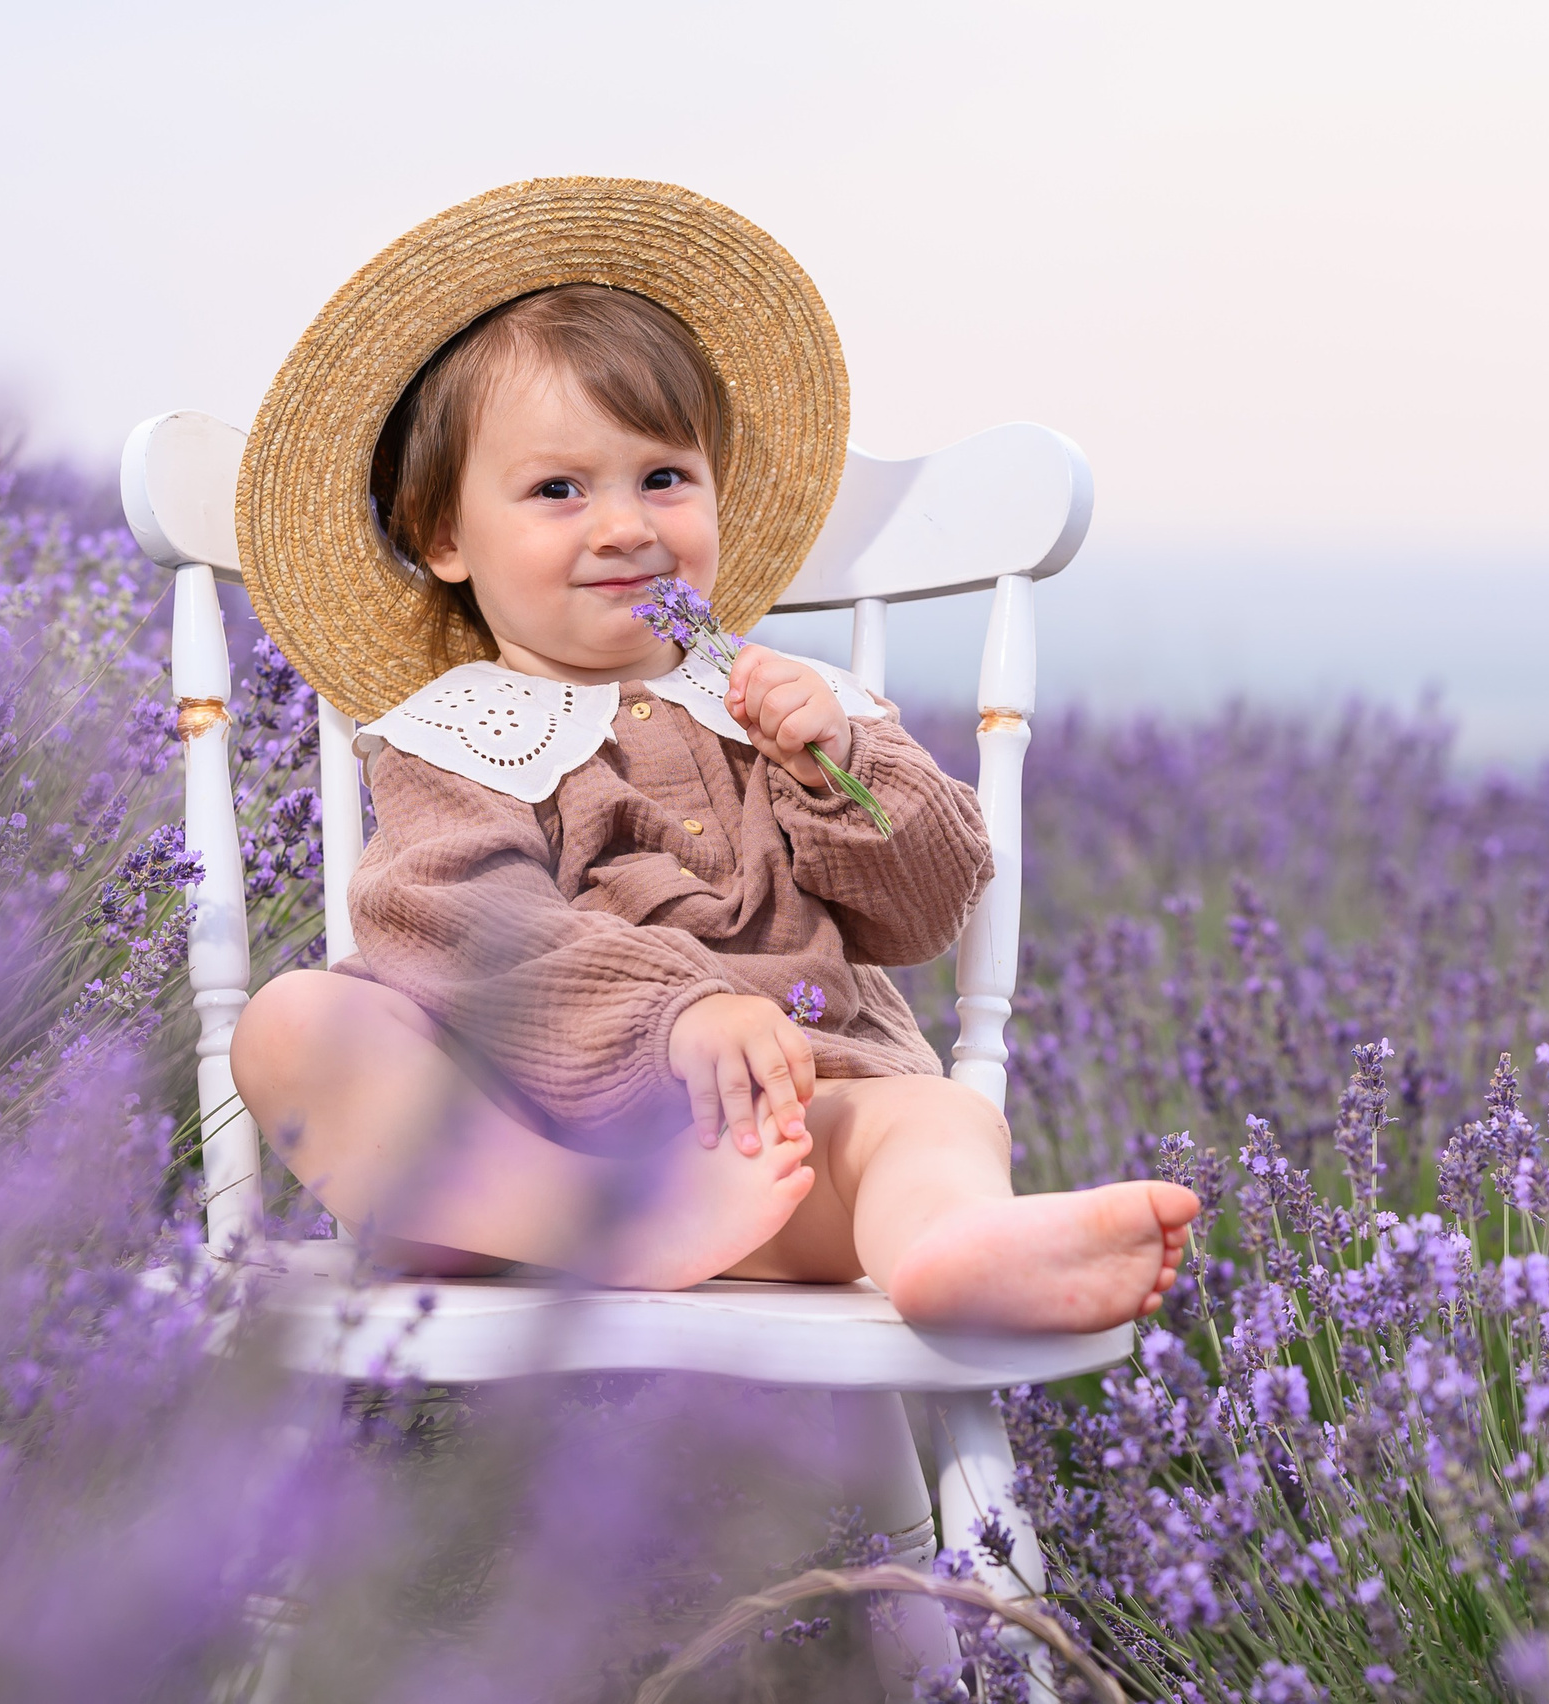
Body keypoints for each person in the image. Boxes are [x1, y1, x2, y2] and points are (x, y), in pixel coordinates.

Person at [226, 180, 1195, 1333]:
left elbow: (927, 914)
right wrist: (674, 1012)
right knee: (293, 1026)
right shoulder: (461, 733)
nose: (627, 525)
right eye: (557, 490)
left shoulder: (786, 704)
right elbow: (457, 934)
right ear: (443, 537)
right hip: (509, 1152)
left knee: (931, 1124)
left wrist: (837, 766)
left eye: (664, 478)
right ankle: (597, 1219)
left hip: (776, 1144)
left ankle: (948, 1248)